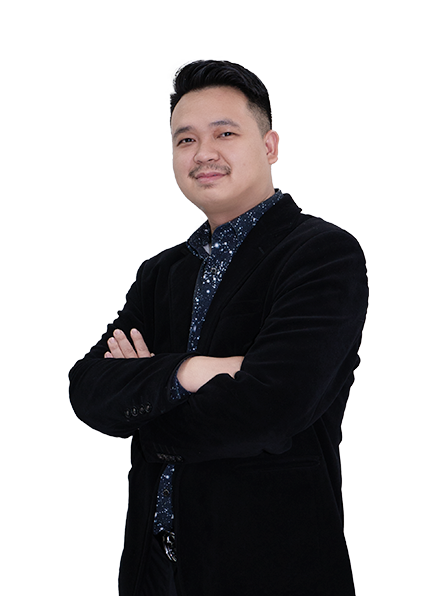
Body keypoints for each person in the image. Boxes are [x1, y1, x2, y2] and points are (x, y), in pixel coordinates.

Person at [69, 59, 369, 596]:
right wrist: (190, 372)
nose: (203, 152)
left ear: (269, 146)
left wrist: (148, 407)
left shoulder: (321, 254)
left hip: (271, 569)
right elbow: (88, 388)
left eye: (224, 133)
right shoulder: (161, 272)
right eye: (185, 139)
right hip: (154, 571)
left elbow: (272, 409)